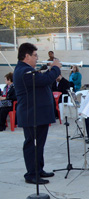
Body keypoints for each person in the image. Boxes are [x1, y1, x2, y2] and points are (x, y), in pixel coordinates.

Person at [13, 43, 62, 184]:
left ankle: (38, 170)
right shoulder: (24, 71)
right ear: (27, 56)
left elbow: (42, 82)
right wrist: (56, 68)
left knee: (39, 144)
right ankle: (31, 174)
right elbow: (45, 79)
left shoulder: (27, 70)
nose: (37, 58)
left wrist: (51, 72)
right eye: (35, 55)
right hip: (31, 114)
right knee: (32, 145)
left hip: (38, 114)